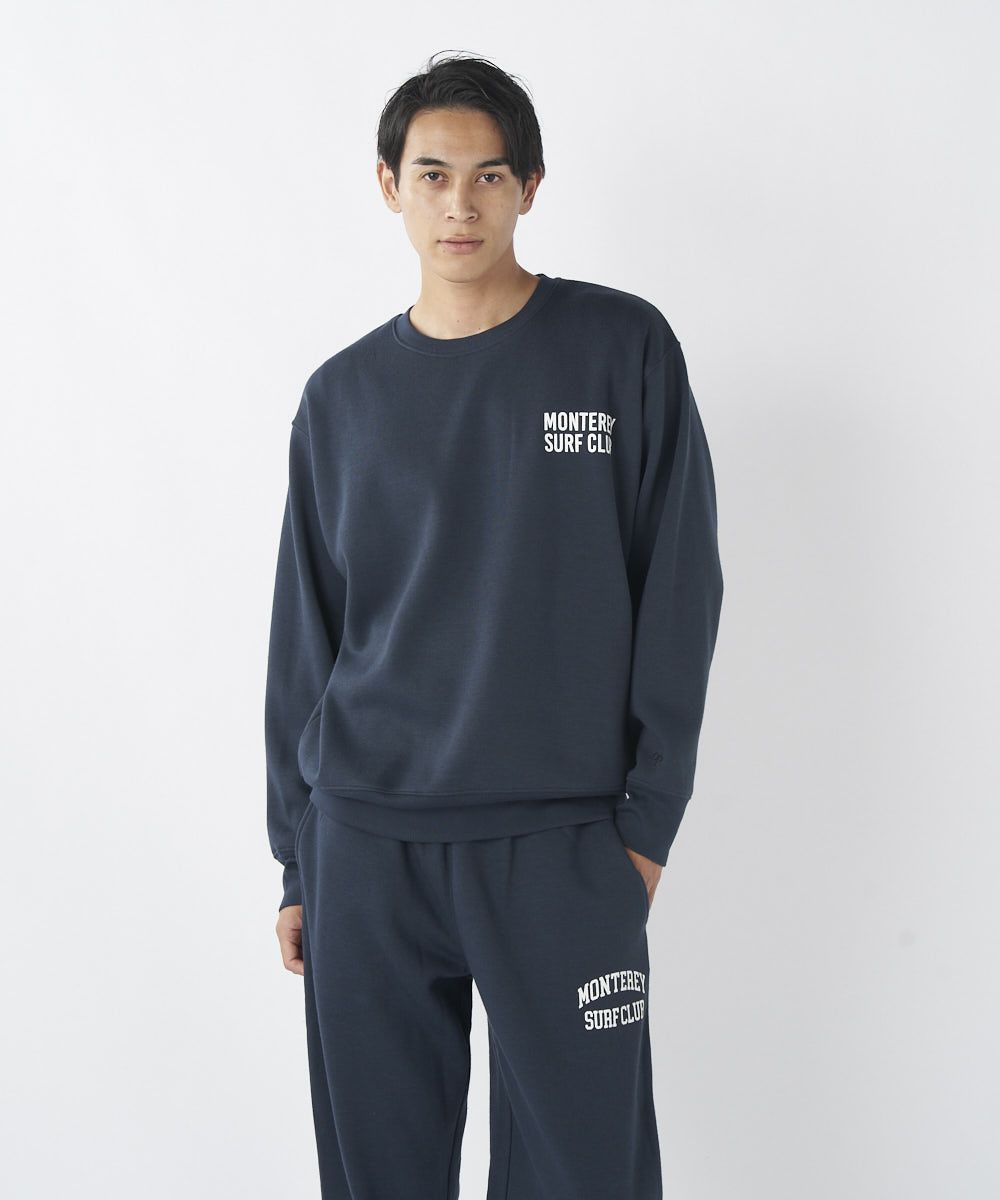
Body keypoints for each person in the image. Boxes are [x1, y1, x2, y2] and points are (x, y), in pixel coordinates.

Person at [264, 50, 724, 1200]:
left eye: (488, 176)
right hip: (365, 847)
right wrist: (297, 860)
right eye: (432, 174)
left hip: (561, 850)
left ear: (529, 186)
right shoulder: (340, 398)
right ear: (389, 185)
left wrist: (644, 829)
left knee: (586, 1178)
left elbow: (679, 592)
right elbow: (305, 638)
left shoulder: (620, 350)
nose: (459, 204)